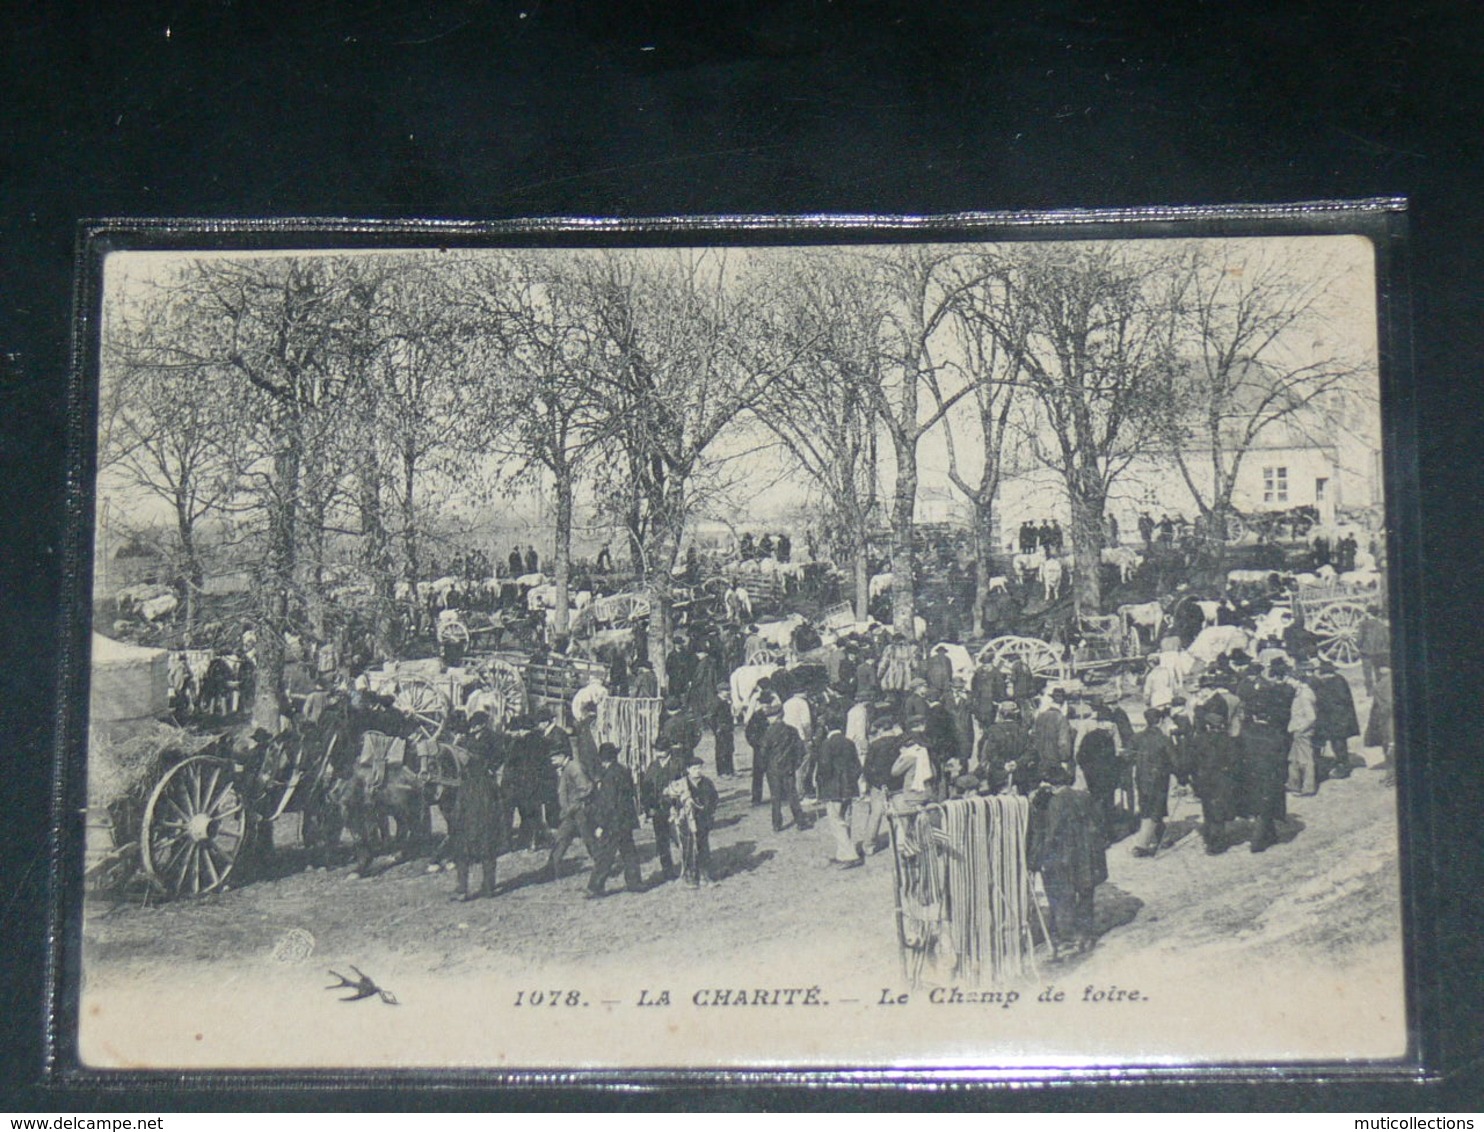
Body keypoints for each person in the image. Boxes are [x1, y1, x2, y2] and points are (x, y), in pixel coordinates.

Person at [1027, 762, 1107, 960]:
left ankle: (1067, 940)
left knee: (1063, 898)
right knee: (1086, 894)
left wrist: (1036, 860)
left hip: (1066, 858)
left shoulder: (1055, 803)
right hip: (1087, 856)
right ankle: (1085, 936)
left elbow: (1051, 834)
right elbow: (1100, 822)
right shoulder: (1084, 796)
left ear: (1049, 784)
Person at [448, 712, 504, 902]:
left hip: (483, 790)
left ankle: (488, 886)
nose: (473, 728)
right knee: (462, 845)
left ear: (482, 725)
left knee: (487, 843)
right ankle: (462, 889)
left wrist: (488, 767)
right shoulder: (468, 739)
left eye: (476, 725)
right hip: (469, 789)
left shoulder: (493, 738)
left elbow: (500, 756)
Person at [586, 743, 644, 898]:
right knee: (629, 852)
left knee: (606, 855)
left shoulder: (609, 776)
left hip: (613, 822)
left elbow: (609, 803)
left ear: (602, 759)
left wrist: (601, 824)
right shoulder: (623, 771)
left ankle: (595, 887)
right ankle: (635, 883)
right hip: (626, 819)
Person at [1187, 696, 1240, 855]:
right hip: (1222, 779)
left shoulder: (1200, 740)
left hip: (1204, 779)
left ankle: (1211, 839)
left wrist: (1192, 778)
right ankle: (1217, 841)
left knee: (1208, 808)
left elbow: (1191, 761)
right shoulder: (1228, 741)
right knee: (1218, 809)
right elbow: (1234, 762)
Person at [815, 711, 864, 867]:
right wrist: (851, 780)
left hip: (834, 789)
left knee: (836, 822)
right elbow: (857, 766)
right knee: (846, 820)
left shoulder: (826, 745)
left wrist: (821, 783)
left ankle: (849, 855)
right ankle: (842, 853)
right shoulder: (849, 743)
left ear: (827, 727)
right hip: (849, 788)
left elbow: (824, 768)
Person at [546, 739, 599, 880]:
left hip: (580, 812)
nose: (552, 760)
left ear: (564, 756)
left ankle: (603, 866)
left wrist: (574, 804)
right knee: (561, 838)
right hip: (571, 813)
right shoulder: (564, 769)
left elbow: (587, 788)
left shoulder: (574, 768)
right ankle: (552, 870)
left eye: (555, 757)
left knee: (589, 840)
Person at [664, 757, 720, 887]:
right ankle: (690, 876)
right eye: (694, 768)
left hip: (702, 820)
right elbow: (671, 799)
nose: (697, 771)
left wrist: (709, 811)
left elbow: (714, 798)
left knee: (703, 847)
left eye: (700, 768)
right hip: (686, 821)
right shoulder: (681, 784)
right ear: (688, 770)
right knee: (688, 848)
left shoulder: (707, 783)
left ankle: (704, 875)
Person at [1130, 707, 1177, 857]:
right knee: (1154, 810)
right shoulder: (1163, 739)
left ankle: (1164, 837)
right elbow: (1175, 762)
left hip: (1141, 778)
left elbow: (1128, 755)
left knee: (1147, 806)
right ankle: (1141, 845)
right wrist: (1183, 776)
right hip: (1159, 779)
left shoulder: (1137, 738)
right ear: (1160, 721)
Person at [642, 744, 690, 882]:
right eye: (657, 749)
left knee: (680, 839)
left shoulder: (677, 764)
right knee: (662, 843)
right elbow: (646, 789)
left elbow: (684, 786)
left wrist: (678, 805)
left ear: (668, 750)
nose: (659, 752)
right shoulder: (653, 766)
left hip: (674, 808)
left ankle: (689, 867)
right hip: (658, 810)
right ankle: (667, 872)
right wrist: (649, 808)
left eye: (662, 749)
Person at [760, 708, 811, 832]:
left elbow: (763, 752)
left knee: (775, 797)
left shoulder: (768, 732)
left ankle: (777, 824)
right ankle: (800, 821)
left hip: (773, 769)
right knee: (792, 795)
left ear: (773, 717)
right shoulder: (791, 731)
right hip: (788, 768)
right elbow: (801, 750)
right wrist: (795, 764)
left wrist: (765, 766)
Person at [1285, 662, 1320, 796]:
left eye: (1290, 680)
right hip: (1297, 730)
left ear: (1297, 680)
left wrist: (1301, 729)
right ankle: (1294, 784)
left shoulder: (1304, 695)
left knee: (1305, 759)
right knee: (1294, 759)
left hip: (1302, 732)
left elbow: (1311, 717)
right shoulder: (1301, 692)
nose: (1289, 683)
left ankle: (1308, 787)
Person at [1032, 687, 1074, 780]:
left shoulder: (1040, 717)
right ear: (1063, 703)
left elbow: (1033, 737)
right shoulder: (1061, 718)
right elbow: (1064, 743)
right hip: (1055, 762)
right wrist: (1065, 759)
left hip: (1040, 760)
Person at [1356, 606, 1391, 695]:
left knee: (1367, 674)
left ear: (1368, 613)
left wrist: (1359, 647)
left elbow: (1359, 639)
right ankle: (1379, 690)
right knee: (1378, 672)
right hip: (1379, 652)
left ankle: (1370, 691)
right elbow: (1387, 639)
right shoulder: (1382, 625)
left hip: (1366, 652)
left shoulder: (1363, 624)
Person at [709, 682, 736, 777]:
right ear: (720, 691)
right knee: (721, 751)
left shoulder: (727, 701)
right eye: (726, 690)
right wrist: (716, 729)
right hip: (721, 729)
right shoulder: (716, 702)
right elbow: (711, 717)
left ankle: (730, 770)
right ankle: (722, 772)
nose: (729, 692)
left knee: (729, 749)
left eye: (729, 690)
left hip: (728, 728)